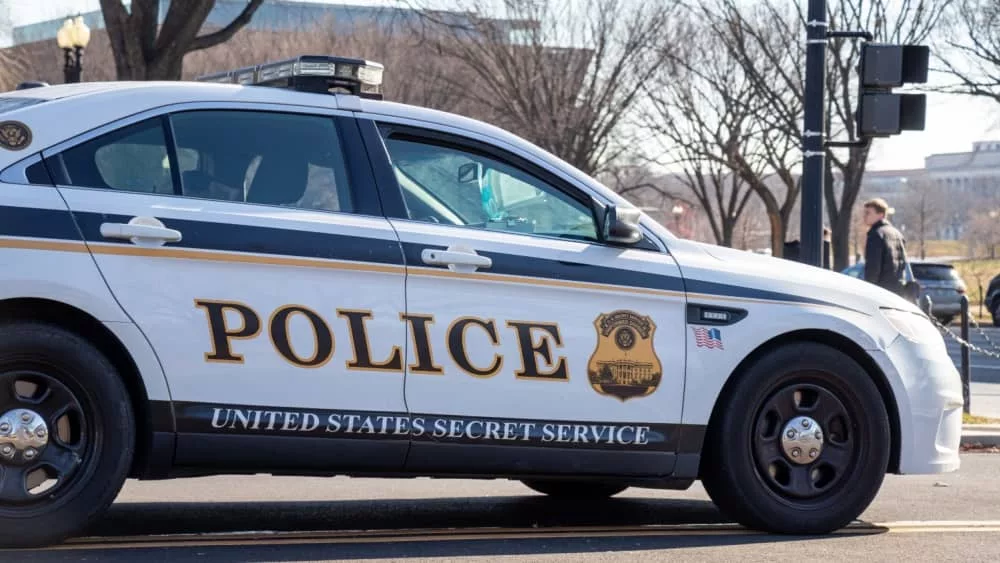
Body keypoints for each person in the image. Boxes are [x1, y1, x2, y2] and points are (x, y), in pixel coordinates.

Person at [862, 198, 909, 296]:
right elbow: (903, 264)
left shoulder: (876, 235)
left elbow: (873, 268)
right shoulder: (897, 234)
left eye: (868, 213)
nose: (864, 216)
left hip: (881, 291)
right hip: (897, 290)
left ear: (881, 215)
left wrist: (868, 291)